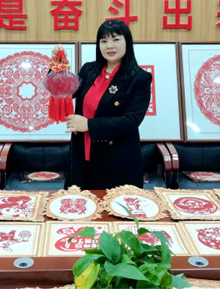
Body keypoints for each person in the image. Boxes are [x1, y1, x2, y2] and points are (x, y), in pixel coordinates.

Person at [51, 19, 152, 190]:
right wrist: (57, 68)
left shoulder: (140, 78)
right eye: (103, 41)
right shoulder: (89, 70)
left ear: (127, 42)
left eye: (116, 39)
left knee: (113, 205)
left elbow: (131, 120)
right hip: (81, 157)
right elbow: (64, 91)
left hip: (116, 161)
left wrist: (88, 125)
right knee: (78, 203)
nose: (109, 46)